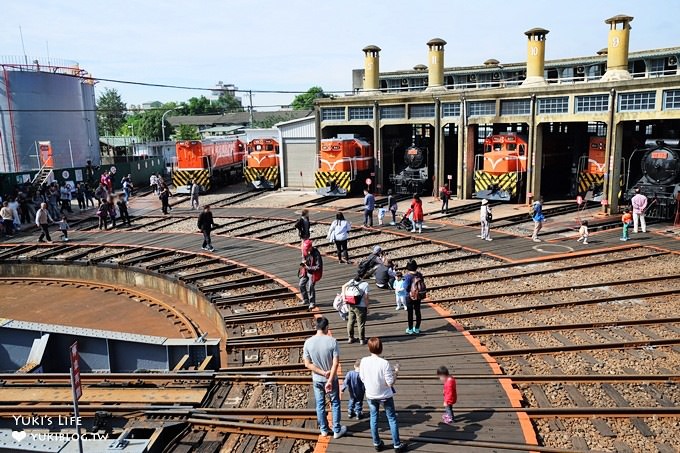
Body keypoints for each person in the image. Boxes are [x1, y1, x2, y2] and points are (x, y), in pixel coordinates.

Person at [302, 317, 347, 439]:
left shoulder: (308, 342)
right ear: (326, 327)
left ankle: (323, 429)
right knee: (335, 403)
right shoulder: (333, 341)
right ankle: (337, 430)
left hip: (317, 379)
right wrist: (330, 379)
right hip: (332, 379)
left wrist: (322, 373)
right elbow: (335, 363)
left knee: (320, 404)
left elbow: (307, 364)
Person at [359, 338, 406, 452]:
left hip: (371, 395)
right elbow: (390, 383)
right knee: (392, 419)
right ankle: (397, 445)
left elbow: (362, 378)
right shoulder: (384, 363)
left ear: (369, 348)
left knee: (373, 418)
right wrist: (396, 372)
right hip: (385, 396)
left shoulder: (364, 361)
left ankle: (377, 443)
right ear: (381, 348)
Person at [342, 273, 370, 345]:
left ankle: (350, 338)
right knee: (360, 323)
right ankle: (362, 339)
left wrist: (344, 298)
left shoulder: (352, 281)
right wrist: (367, 307)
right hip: (361, 306)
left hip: (351, 304)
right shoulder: (365, 284)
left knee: (350, 322)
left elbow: (343, 286)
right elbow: (366, 297)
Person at [404, 260, 426, 335]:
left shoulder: (408, 276)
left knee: (410, 313)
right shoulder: (419, 274)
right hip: (418, 295)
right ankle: (417, 328)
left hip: (409, 296)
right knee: (418, 311)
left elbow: (406, 287)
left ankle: (410, 329)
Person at [299, 239, 323, 309]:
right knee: (301, 284)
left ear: (310, 247)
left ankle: (312, 302)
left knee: (310, 287)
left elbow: (318, 266)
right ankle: (305, 299)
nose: (305, 251)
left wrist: (309, 267)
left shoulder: (316, 253)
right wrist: (304, 262)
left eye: (306, 249)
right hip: (306, 270)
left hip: (313, 272)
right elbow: (303, 257)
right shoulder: (304, 251)